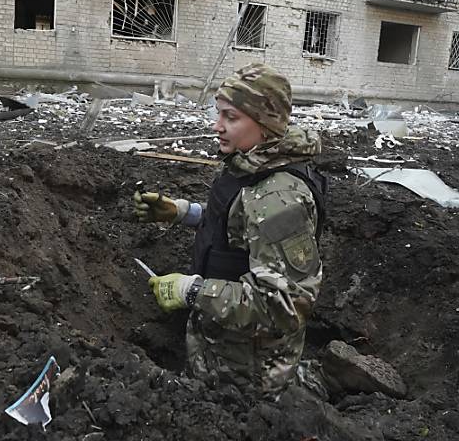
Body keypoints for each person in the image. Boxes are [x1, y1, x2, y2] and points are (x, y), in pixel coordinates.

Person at [133, 63, 327, 397]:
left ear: (265, 124)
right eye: (218, 114)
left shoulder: (279, 198)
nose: (216, 126)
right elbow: (243, 226)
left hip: (248, 375)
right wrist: (185, 213)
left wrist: (189, 291)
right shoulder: (253, 162)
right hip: (222, 349)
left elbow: (282, 305)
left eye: (231, 118)